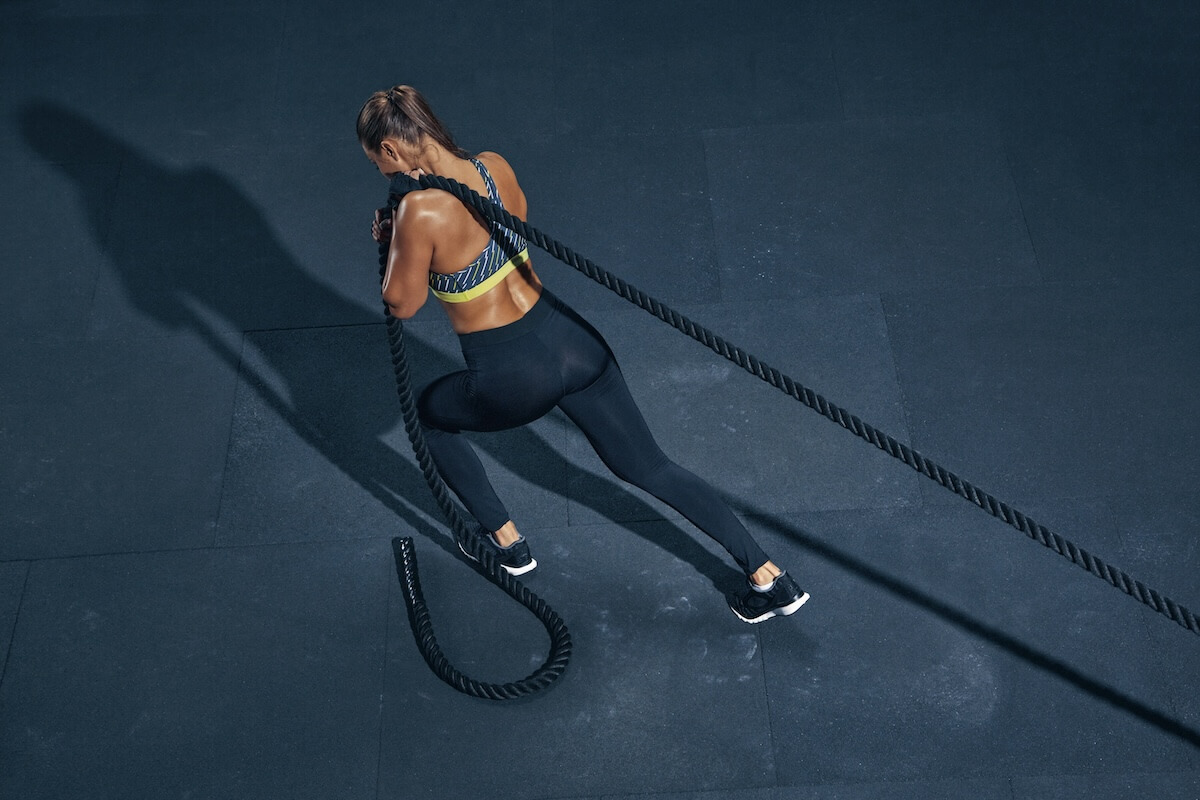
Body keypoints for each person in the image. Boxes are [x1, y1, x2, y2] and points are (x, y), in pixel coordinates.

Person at [357, 85, 808, 623]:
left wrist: (390, 243)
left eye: (377, 164)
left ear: (391, 150)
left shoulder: (416, 211)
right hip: (574, 342)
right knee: (652, 466)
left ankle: (506, 543)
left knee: (429, 417)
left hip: (511, 373)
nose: (382, 174)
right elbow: (494, 231)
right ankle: (769, 576)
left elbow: (400, 303)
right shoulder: (493, 167)